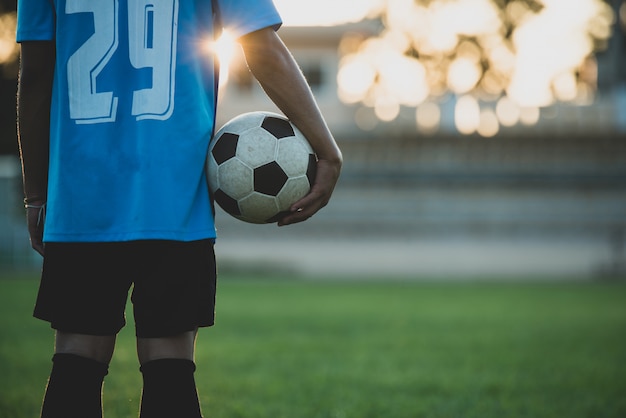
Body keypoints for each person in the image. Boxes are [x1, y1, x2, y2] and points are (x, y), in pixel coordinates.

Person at [16, 1, 342, 417]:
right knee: (169, 363)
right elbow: (260, 45)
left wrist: (37, 195)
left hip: (83, 198)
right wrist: (328, 153)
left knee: (76, 359)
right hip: (173, 196)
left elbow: (37, 73)